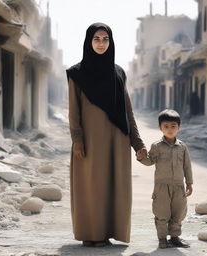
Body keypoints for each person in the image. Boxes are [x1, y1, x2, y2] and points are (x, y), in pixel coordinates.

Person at [66, 22, 146, 247]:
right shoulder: (76, 74)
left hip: (117, 140)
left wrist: (137, 142)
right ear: (88, 41)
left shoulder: (118, 72)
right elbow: (74, 111)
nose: (101, 43)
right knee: (91, 185)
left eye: (105, 39)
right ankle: (91, 234)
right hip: (91, 140)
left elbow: (127, 110)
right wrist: (77, 140)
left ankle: (109, 232)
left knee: (115, 186)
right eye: (96, 39)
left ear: (111, 42)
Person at [136, 109, 193, 249]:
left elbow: (187, 166)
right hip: (162, 187)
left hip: (179, 186)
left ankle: (175, 238)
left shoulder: (183, 147)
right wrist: (141, 158)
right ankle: (162, 239)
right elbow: (150, 162)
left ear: (179, 127)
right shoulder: (156, 146)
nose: (170, 129)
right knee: (162, 213)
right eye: (166, 126)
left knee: (178, 213)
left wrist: (189, 183)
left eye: (173, 126)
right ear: (160, 128)